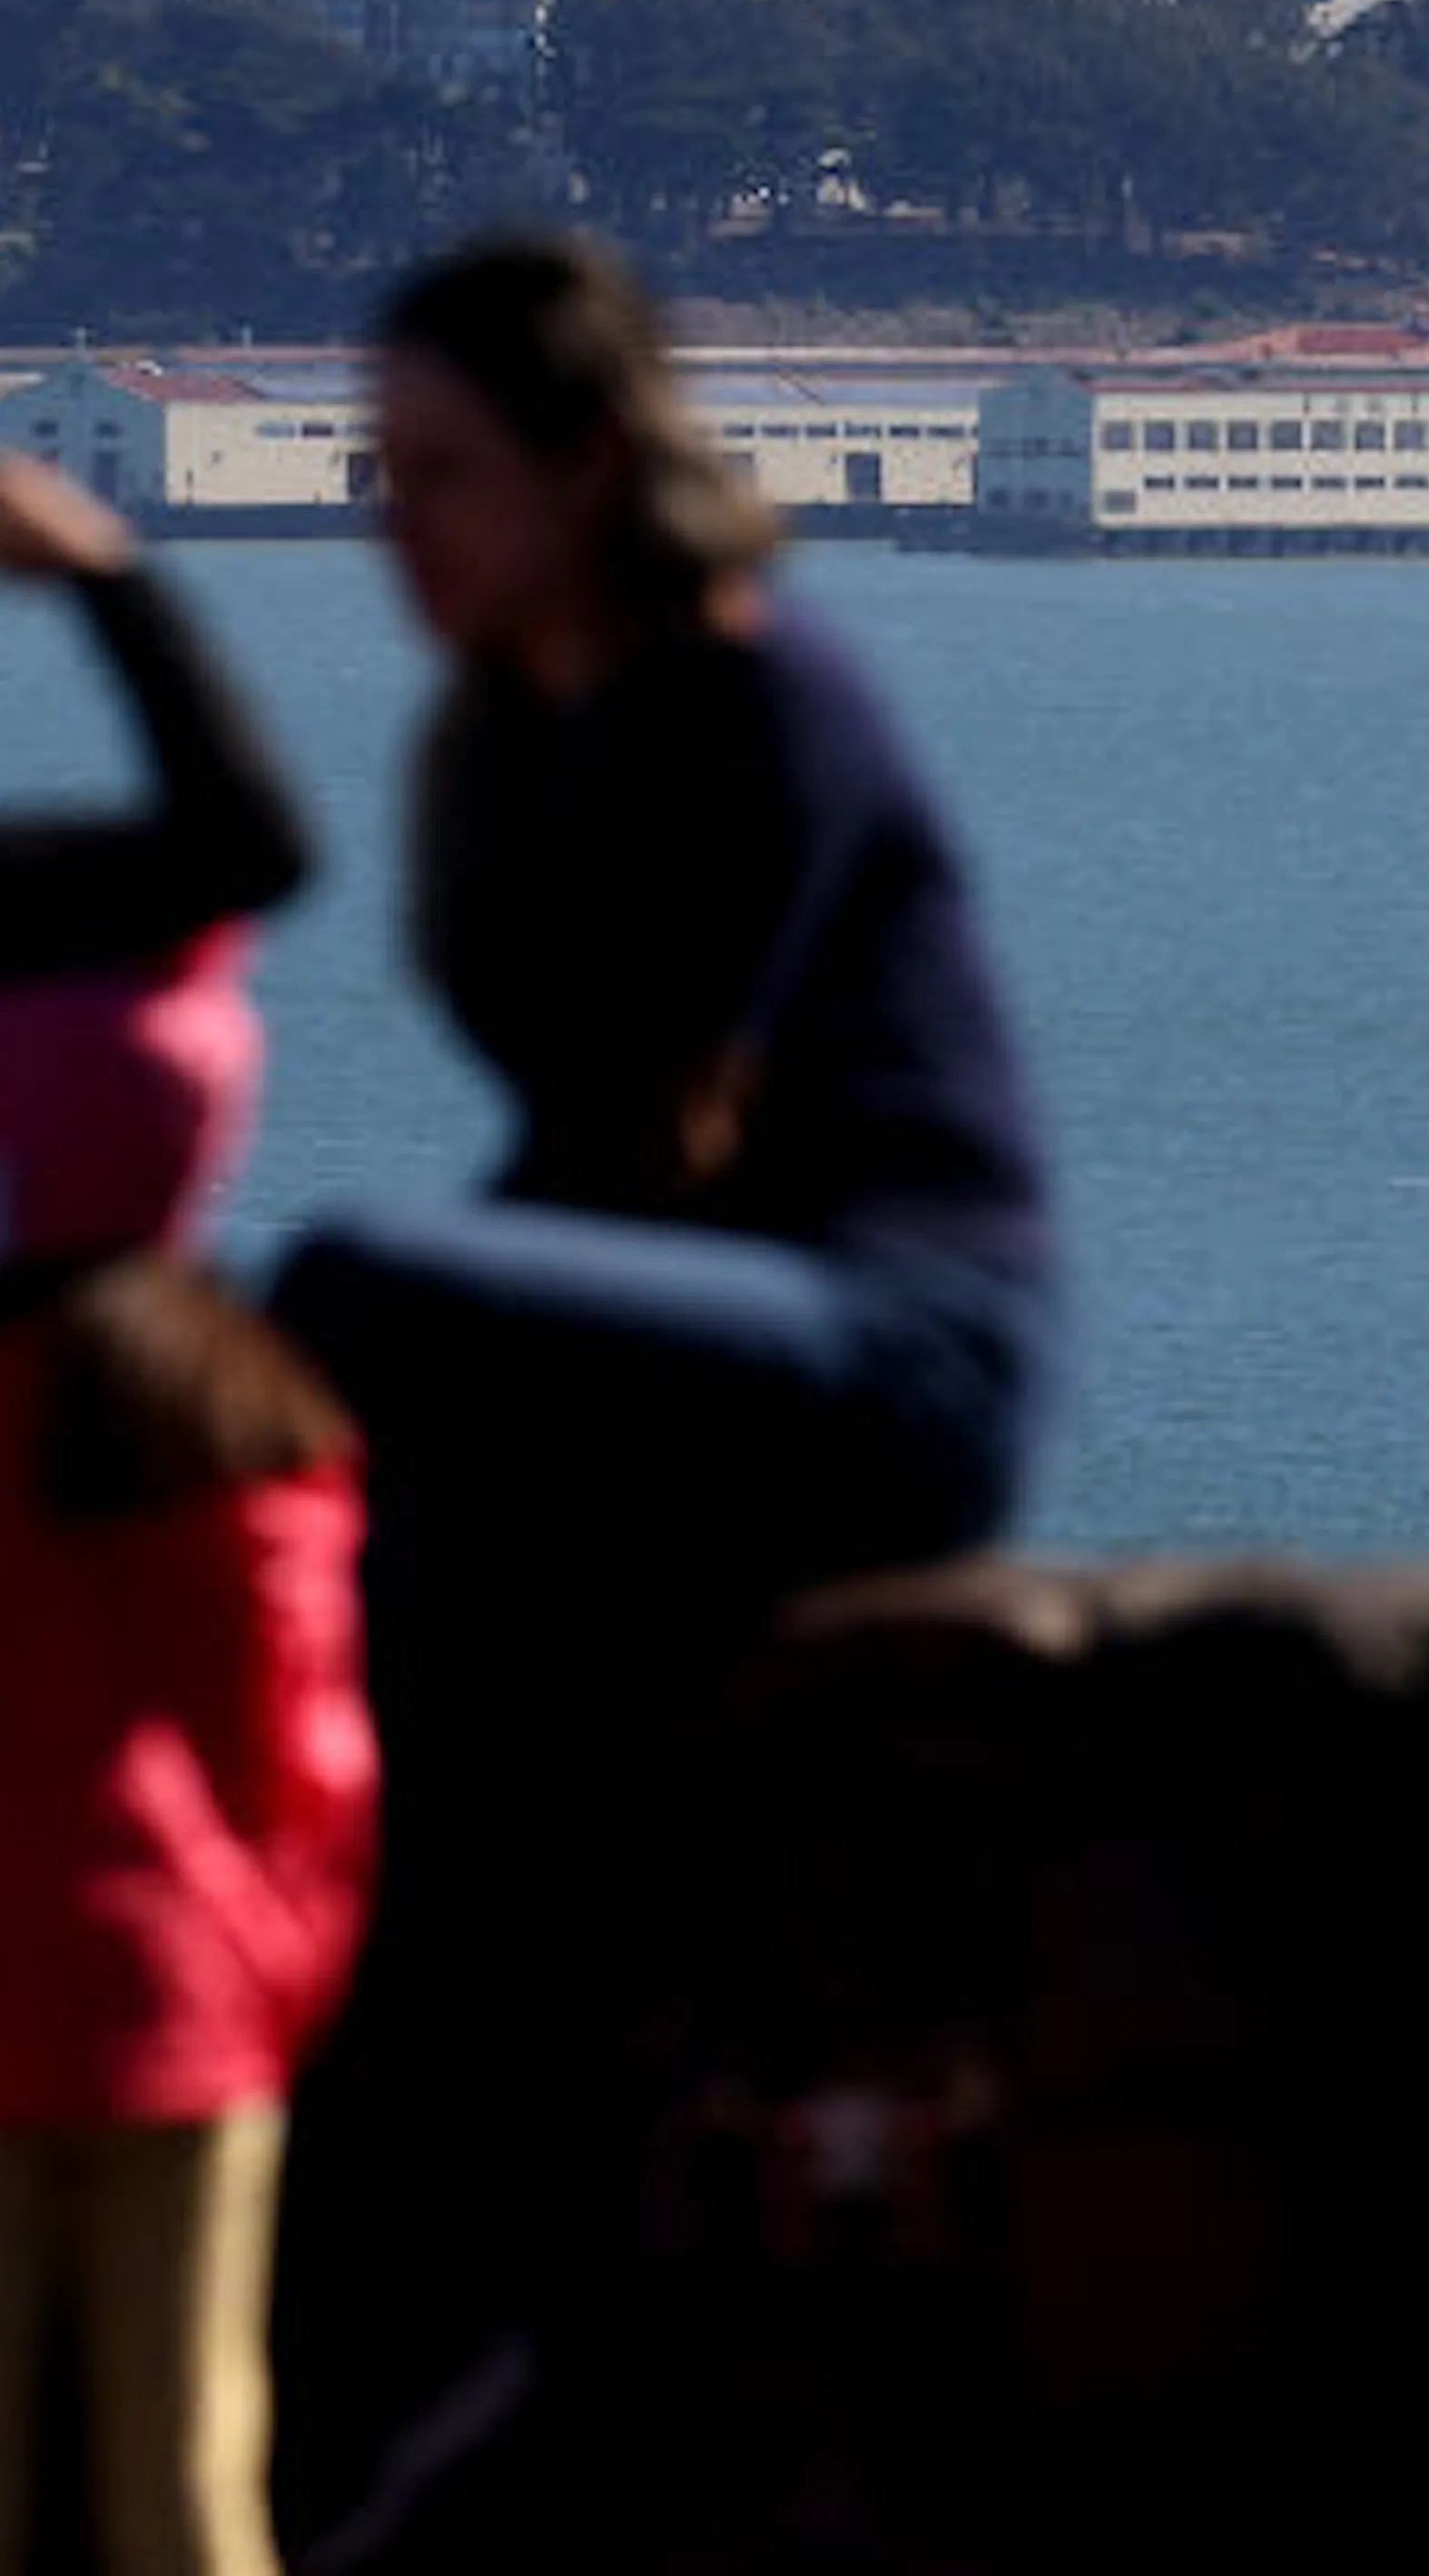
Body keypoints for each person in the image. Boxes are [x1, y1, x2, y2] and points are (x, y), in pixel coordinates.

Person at [264, 231, 1053, 2569]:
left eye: (436, 470)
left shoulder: (759, 702)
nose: (387, 522)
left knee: (332, 1282)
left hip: (900, 1344)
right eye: (369, 468)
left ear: (591, 464)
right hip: (693, 1333)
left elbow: (648, 1140)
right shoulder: (505, 740)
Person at [0, 454, 370, 2576]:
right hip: (176, 1997)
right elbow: (300, 1741)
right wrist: (112, 582)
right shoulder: (234, 1423)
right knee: (187, 2496)